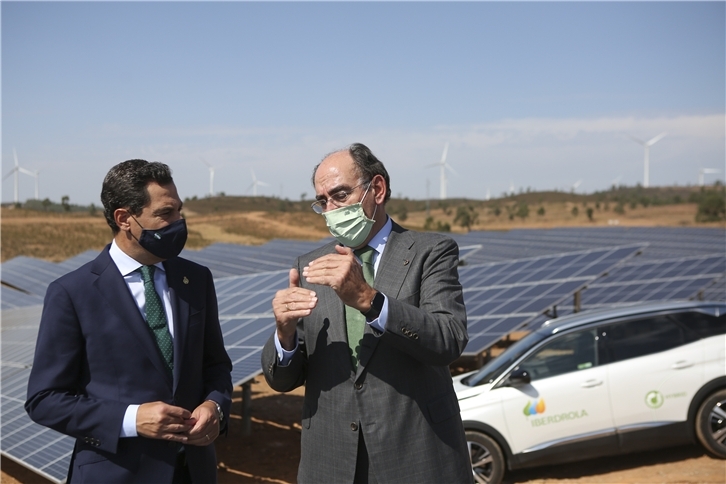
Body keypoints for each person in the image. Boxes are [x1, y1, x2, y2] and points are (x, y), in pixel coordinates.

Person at [261, 143, 472, 483]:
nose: (330, 209)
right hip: (331, 463)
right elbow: (282, 380)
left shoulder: (430, 252)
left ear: (377, 189)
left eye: (340, 195)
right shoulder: (310, 267)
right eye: (322, 201)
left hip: (416, 457)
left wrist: (369, 299)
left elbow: (448, 339)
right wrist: (284, 335)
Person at [25, 159, 233, 484]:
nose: (179, 222)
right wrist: (133, 419)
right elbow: (45, 400)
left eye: (179, 211)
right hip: (115, 474)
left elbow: (216, 366)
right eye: (166, 214)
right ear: (125, 219)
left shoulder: (196, 279)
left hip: (193, 472)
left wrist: (215, 407)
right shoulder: (72, 293)